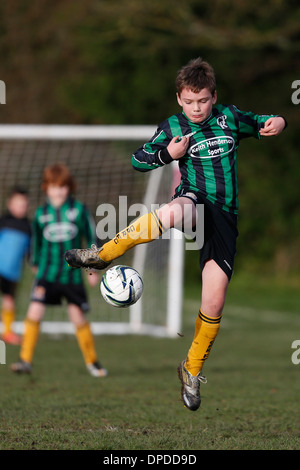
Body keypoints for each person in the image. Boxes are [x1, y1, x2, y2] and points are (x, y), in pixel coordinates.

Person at [64, 57, 287, 409]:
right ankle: (103, 254)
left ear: (214, 96)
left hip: (225, 219)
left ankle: (191, 370)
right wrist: (167, 153)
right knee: (172, 210)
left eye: (203, 100)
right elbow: (139, 159)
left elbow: (263, 122)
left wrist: (279, 121)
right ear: (179, 100)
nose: (196, 108)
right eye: (189, 101)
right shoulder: (172, 126)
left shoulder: (229, 117)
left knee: (214, 301)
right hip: (194, 199)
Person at [11, 163, 107, 377]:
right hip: (47, 274)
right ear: (46, 188)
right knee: (34, 311)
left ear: (69, 187)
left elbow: (91, 237)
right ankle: (25, 360)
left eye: (63, 186)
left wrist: (93, 268)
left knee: (77, 317)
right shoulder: (40, 213)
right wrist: (34, 263)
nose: (59, 191)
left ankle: (93, 362)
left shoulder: (78, 210)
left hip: (71, 275)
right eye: (54, 186)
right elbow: (35, 241)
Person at [0, 187, 31, 345]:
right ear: (10, 204)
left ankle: (7, 332)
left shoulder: (28, 227)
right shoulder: (3, 221)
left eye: (24, 205)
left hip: (13, 272)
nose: (21, 207)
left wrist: (34, 264)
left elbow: (30, 251)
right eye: (18, 204)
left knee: (9, 299)